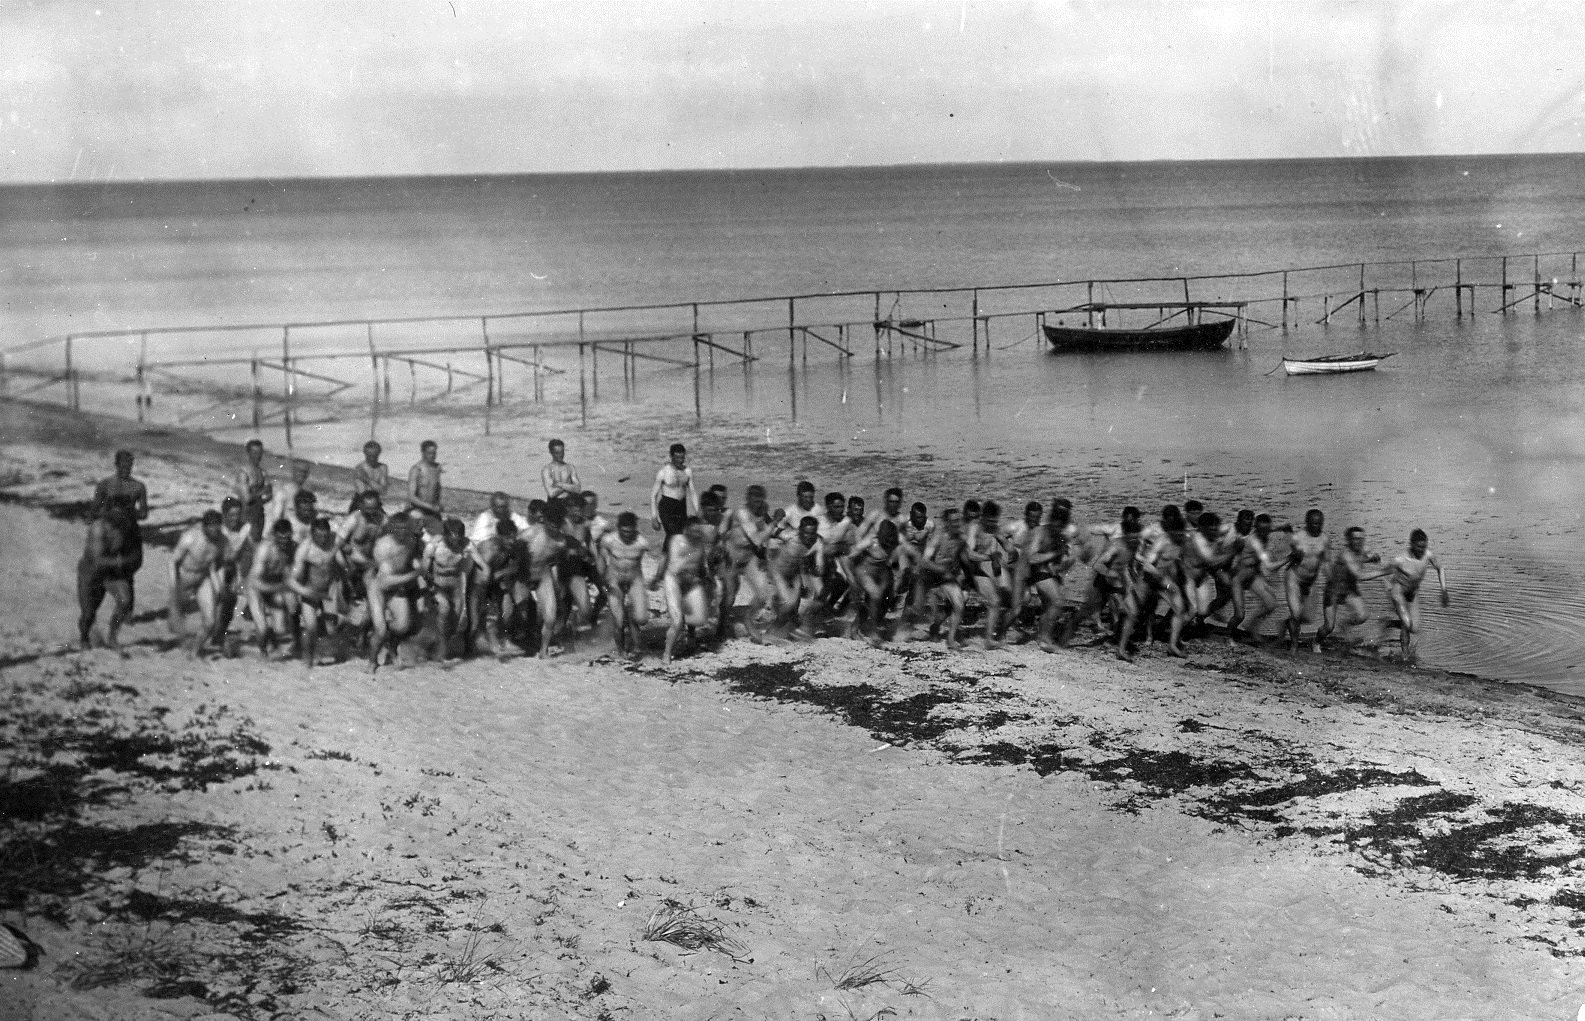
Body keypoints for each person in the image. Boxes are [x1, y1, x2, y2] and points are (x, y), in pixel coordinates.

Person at [716, 485, 775, 644]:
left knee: (763, 594)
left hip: (749, 558)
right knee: (729, 596)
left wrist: (765, 554)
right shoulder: (741, 513)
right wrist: (775, 521)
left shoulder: (763, 511)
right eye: (755, 501)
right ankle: (721, 626)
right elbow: (756, 538)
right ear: (748, 500)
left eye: (760, 501)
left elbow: (769, 534)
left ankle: (747, 619)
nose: (758, 505)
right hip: (732, 557)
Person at [1381, 528, 1450, 663]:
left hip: (1412, 593)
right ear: (1411, 544)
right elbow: (1384, 571)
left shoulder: (1428, 555)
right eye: (1419, 547)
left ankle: (1389, 623)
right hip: (1398, 591)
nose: (1421, 550)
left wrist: (1444, 590)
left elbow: (1440, 568)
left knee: (1415, 628)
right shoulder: (1400, 559)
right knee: (1407, 624)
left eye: (1424, 547)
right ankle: (1405, 656)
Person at [1315, 526, 1388, 653]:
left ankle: (1344, 626)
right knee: (1329, 627)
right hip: (1334, 590)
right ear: (1348, 540)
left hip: (1349, 590)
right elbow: (1359, 575)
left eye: (1361, 539)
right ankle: (1316, 642)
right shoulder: (1345, 554)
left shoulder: (1362, 549)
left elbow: (1361, 558)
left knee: (1362, 616)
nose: (1358, 542)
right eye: (1355, 539)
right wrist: (1383, 572)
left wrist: (1371, 558)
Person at [841, 519, 914, 645]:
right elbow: (845, 558)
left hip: (881, 573)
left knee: (874, 601)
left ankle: (854, 629)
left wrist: (897, 581)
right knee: (875, 596)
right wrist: (851, 579)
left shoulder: (895, 543)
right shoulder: (871, 541)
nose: (888, 543)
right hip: (864, 571)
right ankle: (874, 632)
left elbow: (899, 564)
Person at [661, 508, 720, 664]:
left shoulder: (700, 544)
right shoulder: (676, 541)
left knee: (700, 618)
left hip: (690, 582)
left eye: (698, 531)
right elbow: (675, 567)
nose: (696, 534)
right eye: (693, 531)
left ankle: (688, 637)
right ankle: (667, 653)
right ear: (686, 530)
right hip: (673, 581)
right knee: (677, 621)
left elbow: (701, 566)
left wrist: (708, 577)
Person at [77, 503, 139, 651]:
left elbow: (135, 553)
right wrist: (123, 561)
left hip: (111, 573)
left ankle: (112, 638)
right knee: (88, 614)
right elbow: (97, 560)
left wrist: (129, 564)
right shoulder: (98, 529)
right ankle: (84, 636)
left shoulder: (127, 527)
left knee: (125, 600)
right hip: (91, 573)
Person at [288, 516, 347, 668]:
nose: (322, 539)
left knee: (331, 629)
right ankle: (308, 658)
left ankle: (339, 650)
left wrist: (343, 586)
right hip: (310, 590)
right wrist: (304, 592)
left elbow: (344, 566)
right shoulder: (305, 549)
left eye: (325, 536)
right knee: (311, 627)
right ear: (312, 534)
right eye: (318, 536)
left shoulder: (333, 545)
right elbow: (291, 580)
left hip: (329, 589)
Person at [168, 509, 229, 656]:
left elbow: (216, 566)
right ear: (204, 526)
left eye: (217, 526)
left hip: (203, 578)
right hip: (184, 577)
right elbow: (173, 561)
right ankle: (183, 643)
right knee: (176, 621)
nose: (215, 530)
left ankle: (195, 650)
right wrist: (173, 585)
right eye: (211, 526)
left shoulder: (222, 541)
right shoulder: (190, 538)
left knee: (210, 621)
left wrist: (218, 587)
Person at [368, 514, 421, 671]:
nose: (402, 532)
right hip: (379, 588)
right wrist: (414, 575)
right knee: (380, 629)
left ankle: (391, 647)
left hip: (398, 587)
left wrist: (418, 566)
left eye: (405, 529)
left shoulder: (411, 541)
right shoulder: (383, 546)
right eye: (398, 529)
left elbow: (410, 558)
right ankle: (372, 661)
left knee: (402, 626)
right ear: (391, 529)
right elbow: (386, 580)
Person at [912, 508, 968, 649]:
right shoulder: (938, 537)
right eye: (954, 521)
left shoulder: (961, 539)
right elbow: (925, 561)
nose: (957, 524)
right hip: (931, 576)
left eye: (958, 520)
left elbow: (963, 558)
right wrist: (941, 569)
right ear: (947, 523)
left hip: (947, 578)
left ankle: (950, 639)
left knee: (959, 603)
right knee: (914, 610)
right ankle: (905, 631)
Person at [600, 511, 653, 660]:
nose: (627, 535)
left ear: (635, 529)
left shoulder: (642, 542)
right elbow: (601, 559)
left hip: (634, 579)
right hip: (614, 580)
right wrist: (602, 577)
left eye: (631, 532)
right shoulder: (609, 540)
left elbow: (662, 555)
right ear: (618, 528)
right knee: (618, 620)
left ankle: (633, 624)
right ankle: (622, 651)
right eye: (624, 532)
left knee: (641, 618)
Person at [246, 519, 300, 658]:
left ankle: (290, 639)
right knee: (262, 628)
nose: (283, 541)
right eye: (280, 538)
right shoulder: (265, 550)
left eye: (287, 538)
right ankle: (263, 652)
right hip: (256, 588)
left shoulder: (292, 547)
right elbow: (256, 581)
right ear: (274, 535)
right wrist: (281, 587)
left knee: (281, 629)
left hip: (274, 586)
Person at [424, 517, 477, 660]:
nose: (455, 542)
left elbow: (476, 564)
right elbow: (424, 570)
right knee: (444, 610)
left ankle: (436, 645)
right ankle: (442, 653)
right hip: (437, 585)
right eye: (451, 538)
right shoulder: (434, 546)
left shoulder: (466, 545)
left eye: (458, 538)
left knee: (455, 621)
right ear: (445, 535)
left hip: (455, 587)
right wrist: (428, 589)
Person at [93, 450, 149, 583]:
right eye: (123, 466)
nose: (126, 469)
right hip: (109, 525)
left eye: (129, 466)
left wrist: (128, 513)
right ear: (116, 465)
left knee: (136, 557)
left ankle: (127, 572)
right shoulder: (104, 485)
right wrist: (111, 514)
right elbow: (94, 511)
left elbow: (144, 513)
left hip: (129, 525)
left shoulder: (139, 487)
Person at [474, 518, 525, 660]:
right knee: (490, 615)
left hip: (497, 584)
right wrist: (505, 572)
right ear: (500, 536)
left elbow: (513, 567)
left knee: (506, 613)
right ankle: (492, 645)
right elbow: (482, 579)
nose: (512, 541)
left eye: (513, 537)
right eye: (508, 538)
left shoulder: (511, 547)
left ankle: (505, 641)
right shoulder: (489, 549)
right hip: (479, 586)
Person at [962, 500, 1010, 649]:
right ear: (982, 517)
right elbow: (968, 554)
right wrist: (989, 558)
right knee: (957, 602)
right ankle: (936, 628)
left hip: (978, 570)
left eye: (994, 521)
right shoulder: (974, 528)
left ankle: (989, 639)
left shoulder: (994, 528)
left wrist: (1012, 551)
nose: (991, 524)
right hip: (964, 568)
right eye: (989, 521)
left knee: (996, 600)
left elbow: (1006, 544)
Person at [1284, 508, 1332, 654]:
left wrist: (1331, 579)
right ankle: (1294, 645)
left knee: (1308, 617)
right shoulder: (1298, 538)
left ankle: (1288, 623)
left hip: (1310, 581)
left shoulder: (1325, 540)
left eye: (1319, 523)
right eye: (1313, 523)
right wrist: (1294, 555)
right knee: (1297, 613)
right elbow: (1285, 554)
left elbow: (1326, 562)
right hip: (1294, 577)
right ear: (1307, 523)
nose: (1316, 526)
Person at [525, 500, 570, 657]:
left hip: (542, 573)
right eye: (551, 525)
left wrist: (557, 581)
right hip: (523, 573)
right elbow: (513, 553)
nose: (554, 528)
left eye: (557, 526)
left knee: (550, 618)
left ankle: (543, 650)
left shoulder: (561, 541)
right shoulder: (530, 534)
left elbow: (556, 560)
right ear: (545, 521)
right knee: (517, 614)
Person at [770, 515, 824, 639]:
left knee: (795, 607)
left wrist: (816, 567)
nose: (809, 536)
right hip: (778, 572)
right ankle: (771, 632)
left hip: (795, 574)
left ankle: (789, 631)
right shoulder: (789, 536)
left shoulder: (817, 542)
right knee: (789, 604)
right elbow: (770, 529)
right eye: (806, 533)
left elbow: (819, 564)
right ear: (800, 530)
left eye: (812, 533)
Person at [650, 443, 698, 538]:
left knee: (681, 534)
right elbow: (653, 495)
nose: (680, 461)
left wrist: (697, 512)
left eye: (682, 458)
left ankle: (666, 552)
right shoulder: (663, 472)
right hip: (667, 506)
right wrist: (654, 517)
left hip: (681, 506)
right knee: (673, 534)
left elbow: (692, 493)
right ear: (671, 457)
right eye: (677, 458)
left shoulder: (687, 471)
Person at [233, 439, 273, 542]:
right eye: (254, 453)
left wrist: (267, 494)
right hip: (245, 515)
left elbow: (269, 496)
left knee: (257, 542)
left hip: (259, 514)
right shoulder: (243, 472)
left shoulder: (262, 472)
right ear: (248, 453)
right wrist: (263, 492)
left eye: (260, 453)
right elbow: (246, 499)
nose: (257, 456)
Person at [264, 459, 312, 536]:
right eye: (299, 471)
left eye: (304, 471)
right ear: (293, 471)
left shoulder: (305, 495)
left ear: (308, 474)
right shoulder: (283, 492)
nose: (302, 474)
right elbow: (275, 521)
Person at [407, 440, 443, 527]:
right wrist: (430, 506)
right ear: (423, 452)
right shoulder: (416, 469)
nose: (433, 455)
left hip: (433, 510)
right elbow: (411, 497)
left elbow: (437, 490)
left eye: (434, 453)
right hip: (418, 509)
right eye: (430, 453)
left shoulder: (437, 468)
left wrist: (438, 505)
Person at [352, 441, 390, 507]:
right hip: (361, 501)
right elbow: (363, 493)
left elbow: (383, 490)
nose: (372, 458)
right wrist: (376, 486)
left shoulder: (383, 467)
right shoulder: (360, 468)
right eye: (369, 456)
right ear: (365, 453)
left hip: (375, 501)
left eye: (375, 456)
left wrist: (367, 480)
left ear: (378, 454)